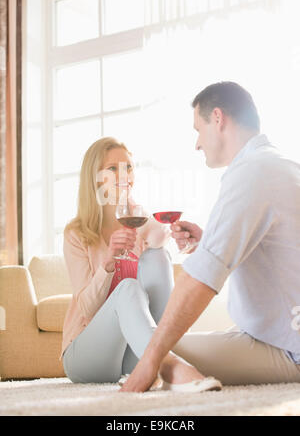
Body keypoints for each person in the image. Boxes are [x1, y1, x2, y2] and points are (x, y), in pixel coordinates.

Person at [120, 81, 300, 392]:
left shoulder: (252, 174)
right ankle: (174, 370)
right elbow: (281, 254)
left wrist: (151, 361)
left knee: (137, 352)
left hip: (288, 345)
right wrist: (208, 240)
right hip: (282, 332)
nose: (197, 144)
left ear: (217, 118)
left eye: (198, 130)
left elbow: (199, 280)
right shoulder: (278, 165)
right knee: (154, 345)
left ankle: (176, 374)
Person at [61, 136, 221, 390]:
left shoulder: (137, 219)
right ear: (96, 178)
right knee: (128, 288)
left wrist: (185, 240)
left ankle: (160, 354)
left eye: (128, 167)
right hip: (86, 357)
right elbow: (88, 309)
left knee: (158, 256)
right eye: (112, 169)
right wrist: (109, 261)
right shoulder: (76, 233)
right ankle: (171, 367)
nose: (123, 174)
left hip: (130, 356)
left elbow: (161, 237)